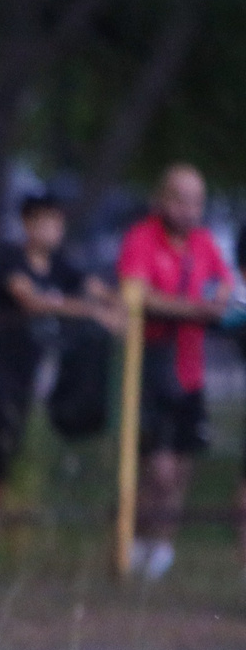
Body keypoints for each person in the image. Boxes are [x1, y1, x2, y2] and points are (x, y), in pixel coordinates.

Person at [0, 192, 121, 558]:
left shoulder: (61, 265)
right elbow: (33, 300)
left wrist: (123, 303)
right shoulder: (11, 259)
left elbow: (100, 291)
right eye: (43, 222)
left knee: (6, 466)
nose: (51, 230)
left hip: (23, 380)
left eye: (57, 223)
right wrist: (90, 311)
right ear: (26, 224)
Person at [117, 163, 238, 582]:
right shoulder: (142, 239)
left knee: (182, 467)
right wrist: (194, 309)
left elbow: (224, 285)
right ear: (163, 200)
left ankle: (160, 550)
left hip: (190, 371)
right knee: (159, 468)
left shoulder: (204, 243)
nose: (189, 210)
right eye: (181, 199)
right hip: (150, 368)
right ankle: (133, 539)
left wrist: (219, 298)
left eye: (197, 202)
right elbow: (136, 293)